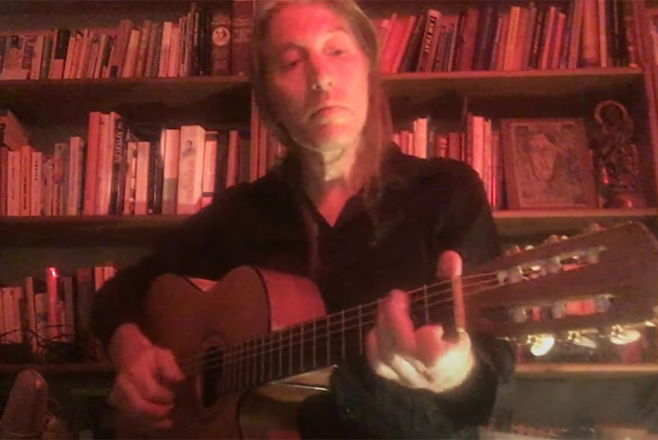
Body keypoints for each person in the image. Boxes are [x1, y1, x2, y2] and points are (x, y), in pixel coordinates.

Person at [92, 0, 514, 438]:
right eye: (292, 62)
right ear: (270, 99)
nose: (320, 78)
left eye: (337, 51)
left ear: (369, 71)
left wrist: (457, 372)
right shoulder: (241, 214)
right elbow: (120, 293)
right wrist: (131, 350)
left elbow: (494, 377)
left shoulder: (446, 191)